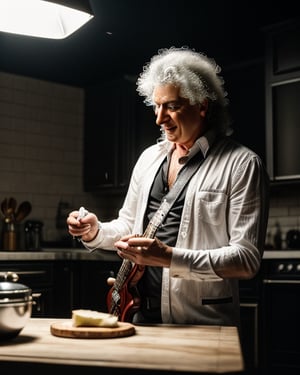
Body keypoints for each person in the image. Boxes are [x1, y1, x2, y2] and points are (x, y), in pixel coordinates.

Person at [67, 46, 269, 329]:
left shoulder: (242, 164)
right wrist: (95, 231)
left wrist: (167, 258)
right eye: (156, 106)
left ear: (202, 105)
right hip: (139, 317)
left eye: (172, 107)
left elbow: (246, 260)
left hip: (203, 323)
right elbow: (129, 225)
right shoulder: (149, 158)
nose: (160, 119)